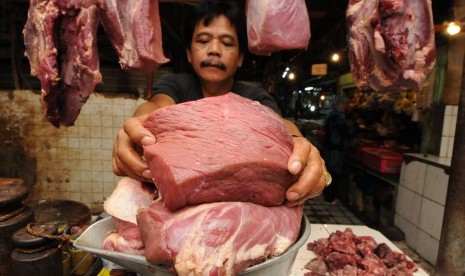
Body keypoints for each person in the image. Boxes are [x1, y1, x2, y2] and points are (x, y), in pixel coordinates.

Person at [112, 0, 329, 206]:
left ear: (240, 58)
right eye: (203, 40)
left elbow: (281, 126)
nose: (214, 50)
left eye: (226, 43)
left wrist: (301, 147)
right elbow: (155, 107)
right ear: (189, 53)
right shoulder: (176, 85)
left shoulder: (254, 97)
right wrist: (138, 126)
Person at [322, 95, 351, 203]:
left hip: (332, 149)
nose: (344, 106)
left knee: (331, 172)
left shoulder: (333, 116)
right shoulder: (336, 117)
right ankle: (330, 196)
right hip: (335, 151)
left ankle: (328, 195)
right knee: (334, 173)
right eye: (342, 103)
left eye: (345, 104)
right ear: (337, 104)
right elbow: (345, 132)